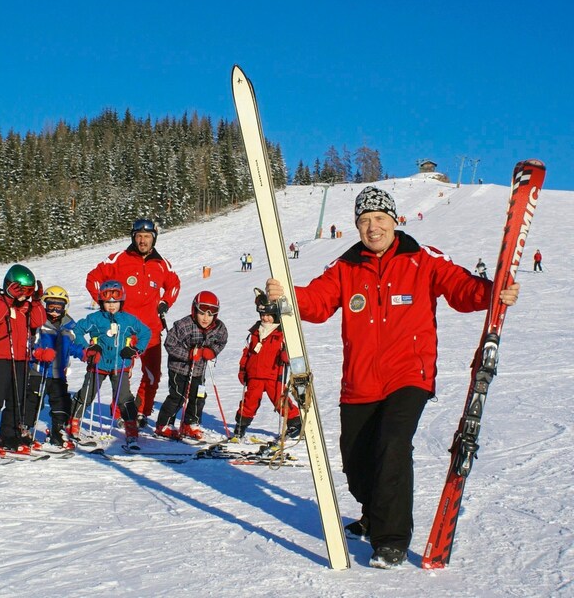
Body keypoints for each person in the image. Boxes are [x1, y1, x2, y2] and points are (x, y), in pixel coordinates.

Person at [265, 185, 520, 569]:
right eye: (364, 221)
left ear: (394, 220)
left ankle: (391, 540)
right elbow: (317, 304)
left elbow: (461, 289)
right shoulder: (345, 267)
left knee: (393, 445)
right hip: (360, 382)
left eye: (379, 219)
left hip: (408, 375)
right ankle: (374, 513)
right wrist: (287, 295)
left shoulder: (422, 259)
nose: (372, 228)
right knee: (355, 460)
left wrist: (493, 292)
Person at [85, 219, 180, 428]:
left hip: (151, 330)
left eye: (147, 236)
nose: (142, 240)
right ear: (133, 237)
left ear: (153, 238)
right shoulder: (119, 259)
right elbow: (93, 278)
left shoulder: (162, 263)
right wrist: (106, 304)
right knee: (122, 373)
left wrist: (165, 302)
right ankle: (120, 412)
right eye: (139, 236)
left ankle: (141, 411)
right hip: (123, 329)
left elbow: (174, 284)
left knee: (152, 375)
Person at [0, 265, 45, 454]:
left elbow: (38, 322)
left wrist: (36, 302)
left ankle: (9, 434)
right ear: (9, 286)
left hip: (21, 358)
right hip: (1, 358)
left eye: (29, 292)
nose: (24, 296)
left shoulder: (27, 306)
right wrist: (9, 298)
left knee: (17, 398)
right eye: (21, 290)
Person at [71, 280, 151, 447]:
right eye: (108, 302)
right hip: (98, 365)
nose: (112, 306)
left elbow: (145, 332)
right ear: (101, 302)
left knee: (124, 398)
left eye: (115, 302)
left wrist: (136, 350)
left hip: (120, 365)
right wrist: (88, 348)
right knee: (87, 394)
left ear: (122, 302)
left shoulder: (128, 320)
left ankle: (131, 429)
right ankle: (73, 422)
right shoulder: (95, 318)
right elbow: (77, 330)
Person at [155, 291, 228, 441]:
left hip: (199, 370)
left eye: (211, 314)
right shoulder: (184, 325)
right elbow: (170, 343)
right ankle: (164, 424)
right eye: (202, 313)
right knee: (178, 397)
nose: (206, 318)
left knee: (199, 396)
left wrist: (212, 351)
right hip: (179, 368)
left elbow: (222, 340)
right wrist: (188, 354)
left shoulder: (218, 328)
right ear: (194, 310)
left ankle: (190, 423)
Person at [234, 292, 301, 441]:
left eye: (269, 315)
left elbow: (292, 352)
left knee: (280, 400)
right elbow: (247, 352)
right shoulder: (255, 332)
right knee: (250, 400)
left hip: (273, 375)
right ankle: (240, 426)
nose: (265, 318)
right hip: (254, 375)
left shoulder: (282, 333)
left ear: (276, 314)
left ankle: (295, 422)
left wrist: (287, 356)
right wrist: (243, 369)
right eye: (262, 314)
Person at [29, 286, 83, 451]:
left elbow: (71, 347)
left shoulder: (68, 327)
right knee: (33, 402)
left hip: (59, 374)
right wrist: (38, 352)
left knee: (61, 403)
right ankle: (23, 429)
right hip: (39, 371)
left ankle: (57, 432)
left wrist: (85, 353)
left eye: (58, 307)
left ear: (64, 307)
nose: (54, 311)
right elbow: (29, 344)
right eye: (50, 306)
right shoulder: (39, 323)